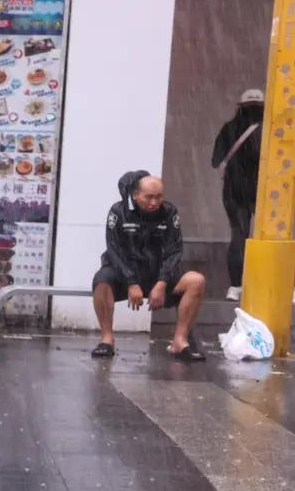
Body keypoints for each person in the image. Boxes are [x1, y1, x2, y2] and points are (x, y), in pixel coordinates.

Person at [90, 171, 207, 362]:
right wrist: (131, 281)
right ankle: (107, 340)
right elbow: (114, 250)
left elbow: (175, 250)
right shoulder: (118, 212)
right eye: (149, 197)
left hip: (158, 273)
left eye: (158, 197)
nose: (154, 203)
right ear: (135, 195)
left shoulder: (169, 212)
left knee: (196, 280)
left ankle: (180, 341)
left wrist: (162, 283)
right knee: (101, 280)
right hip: (125, 272)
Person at [212, 89, 265, 301]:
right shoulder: (272, 130)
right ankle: (270, 283)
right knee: (271, 238)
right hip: (265, 191)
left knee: (239, 235)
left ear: (239, 108)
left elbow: (215, 161)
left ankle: (235, 286)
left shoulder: (229, 129)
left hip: (234, 191)